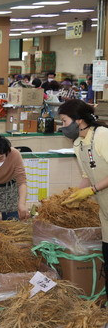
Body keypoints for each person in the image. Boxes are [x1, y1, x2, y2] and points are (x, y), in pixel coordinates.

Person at [58, 99, 108, 298]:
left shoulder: (103, 136)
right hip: (105, 211)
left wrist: (92, 190)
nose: (62, 126)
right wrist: (75, 196)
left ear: (78, 120)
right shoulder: (78, 144)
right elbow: (87, 176)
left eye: (63, 121)